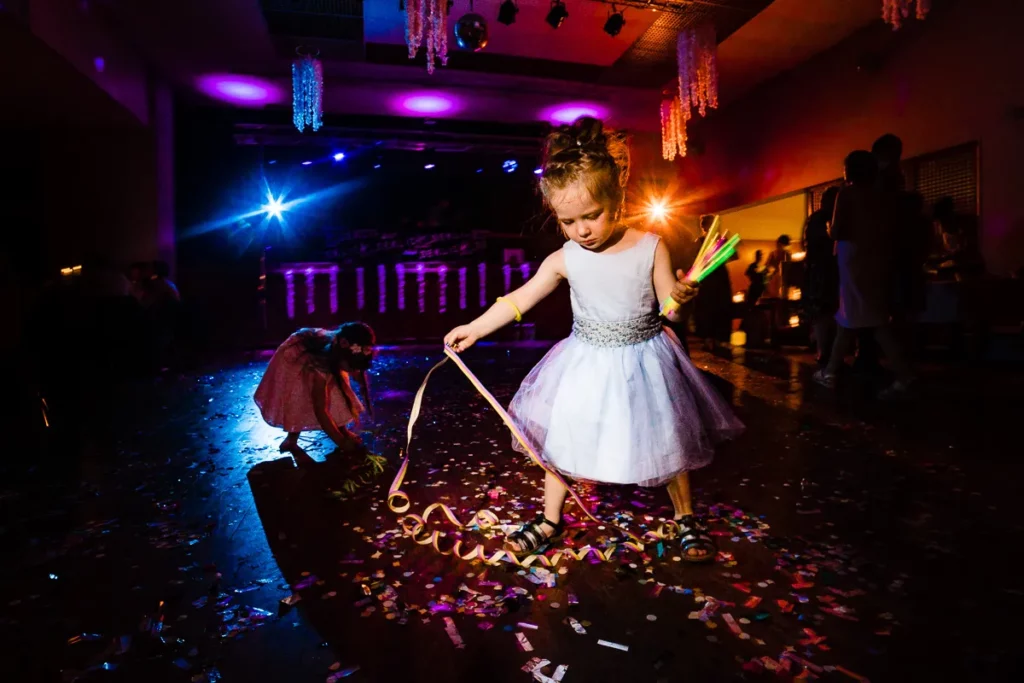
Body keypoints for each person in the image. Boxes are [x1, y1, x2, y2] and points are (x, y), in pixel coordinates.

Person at [443, 117, 744, 562]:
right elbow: (519, 300)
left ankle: (685, 517)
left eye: (592, 216)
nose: (581, 229)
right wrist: (476, 326)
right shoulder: (564, 257)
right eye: (568, 221)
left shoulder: (650, 246)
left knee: (667, 438)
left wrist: (681, 295)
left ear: (617, 201)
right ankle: (550, 518)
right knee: (565, 440)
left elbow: (670, 311)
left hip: (646, 358)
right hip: (585, 361)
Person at [814, 151, 914, 397]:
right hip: (877, 259)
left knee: (851, 316)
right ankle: (833, 371)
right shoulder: (881, 196)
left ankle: (830, 373)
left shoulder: (846, 194)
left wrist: (828, 228)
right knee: (873, 317)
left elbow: (837, 231)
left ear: (850, 170)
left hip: (853, 260)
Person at [254, 322, 376, 463]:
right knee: (300, 395)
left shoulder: (342, 354)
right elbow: (320, 409)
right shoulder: (320, 365)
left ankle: (342, 429)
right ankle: (291, 439)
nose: (354, 370)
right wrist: (342, 443)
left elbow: (355, 368)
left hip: (322, 350)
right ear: (342, 354)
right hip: (296, 355)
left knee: (336, 392)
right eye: (352, 366)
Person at [803, 187, 840, 366]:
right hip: (823, 273)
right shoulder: (822, 220)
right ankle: (825, 353)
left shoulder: (818, 219)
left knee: (824, 312)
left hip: (821, 273)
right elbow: (821, 247)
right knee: (825, 312)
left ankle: (825, 352)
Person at [693, 214, 736, 351]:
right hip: (707, 279)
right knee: (708, 308)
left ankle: (717, 338)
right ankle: (710, 338)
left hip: (715, 278)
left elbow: (732, 255)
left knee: (718, 307)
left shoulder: (719, 240)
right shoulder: (700, 242)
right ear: (705, 227)